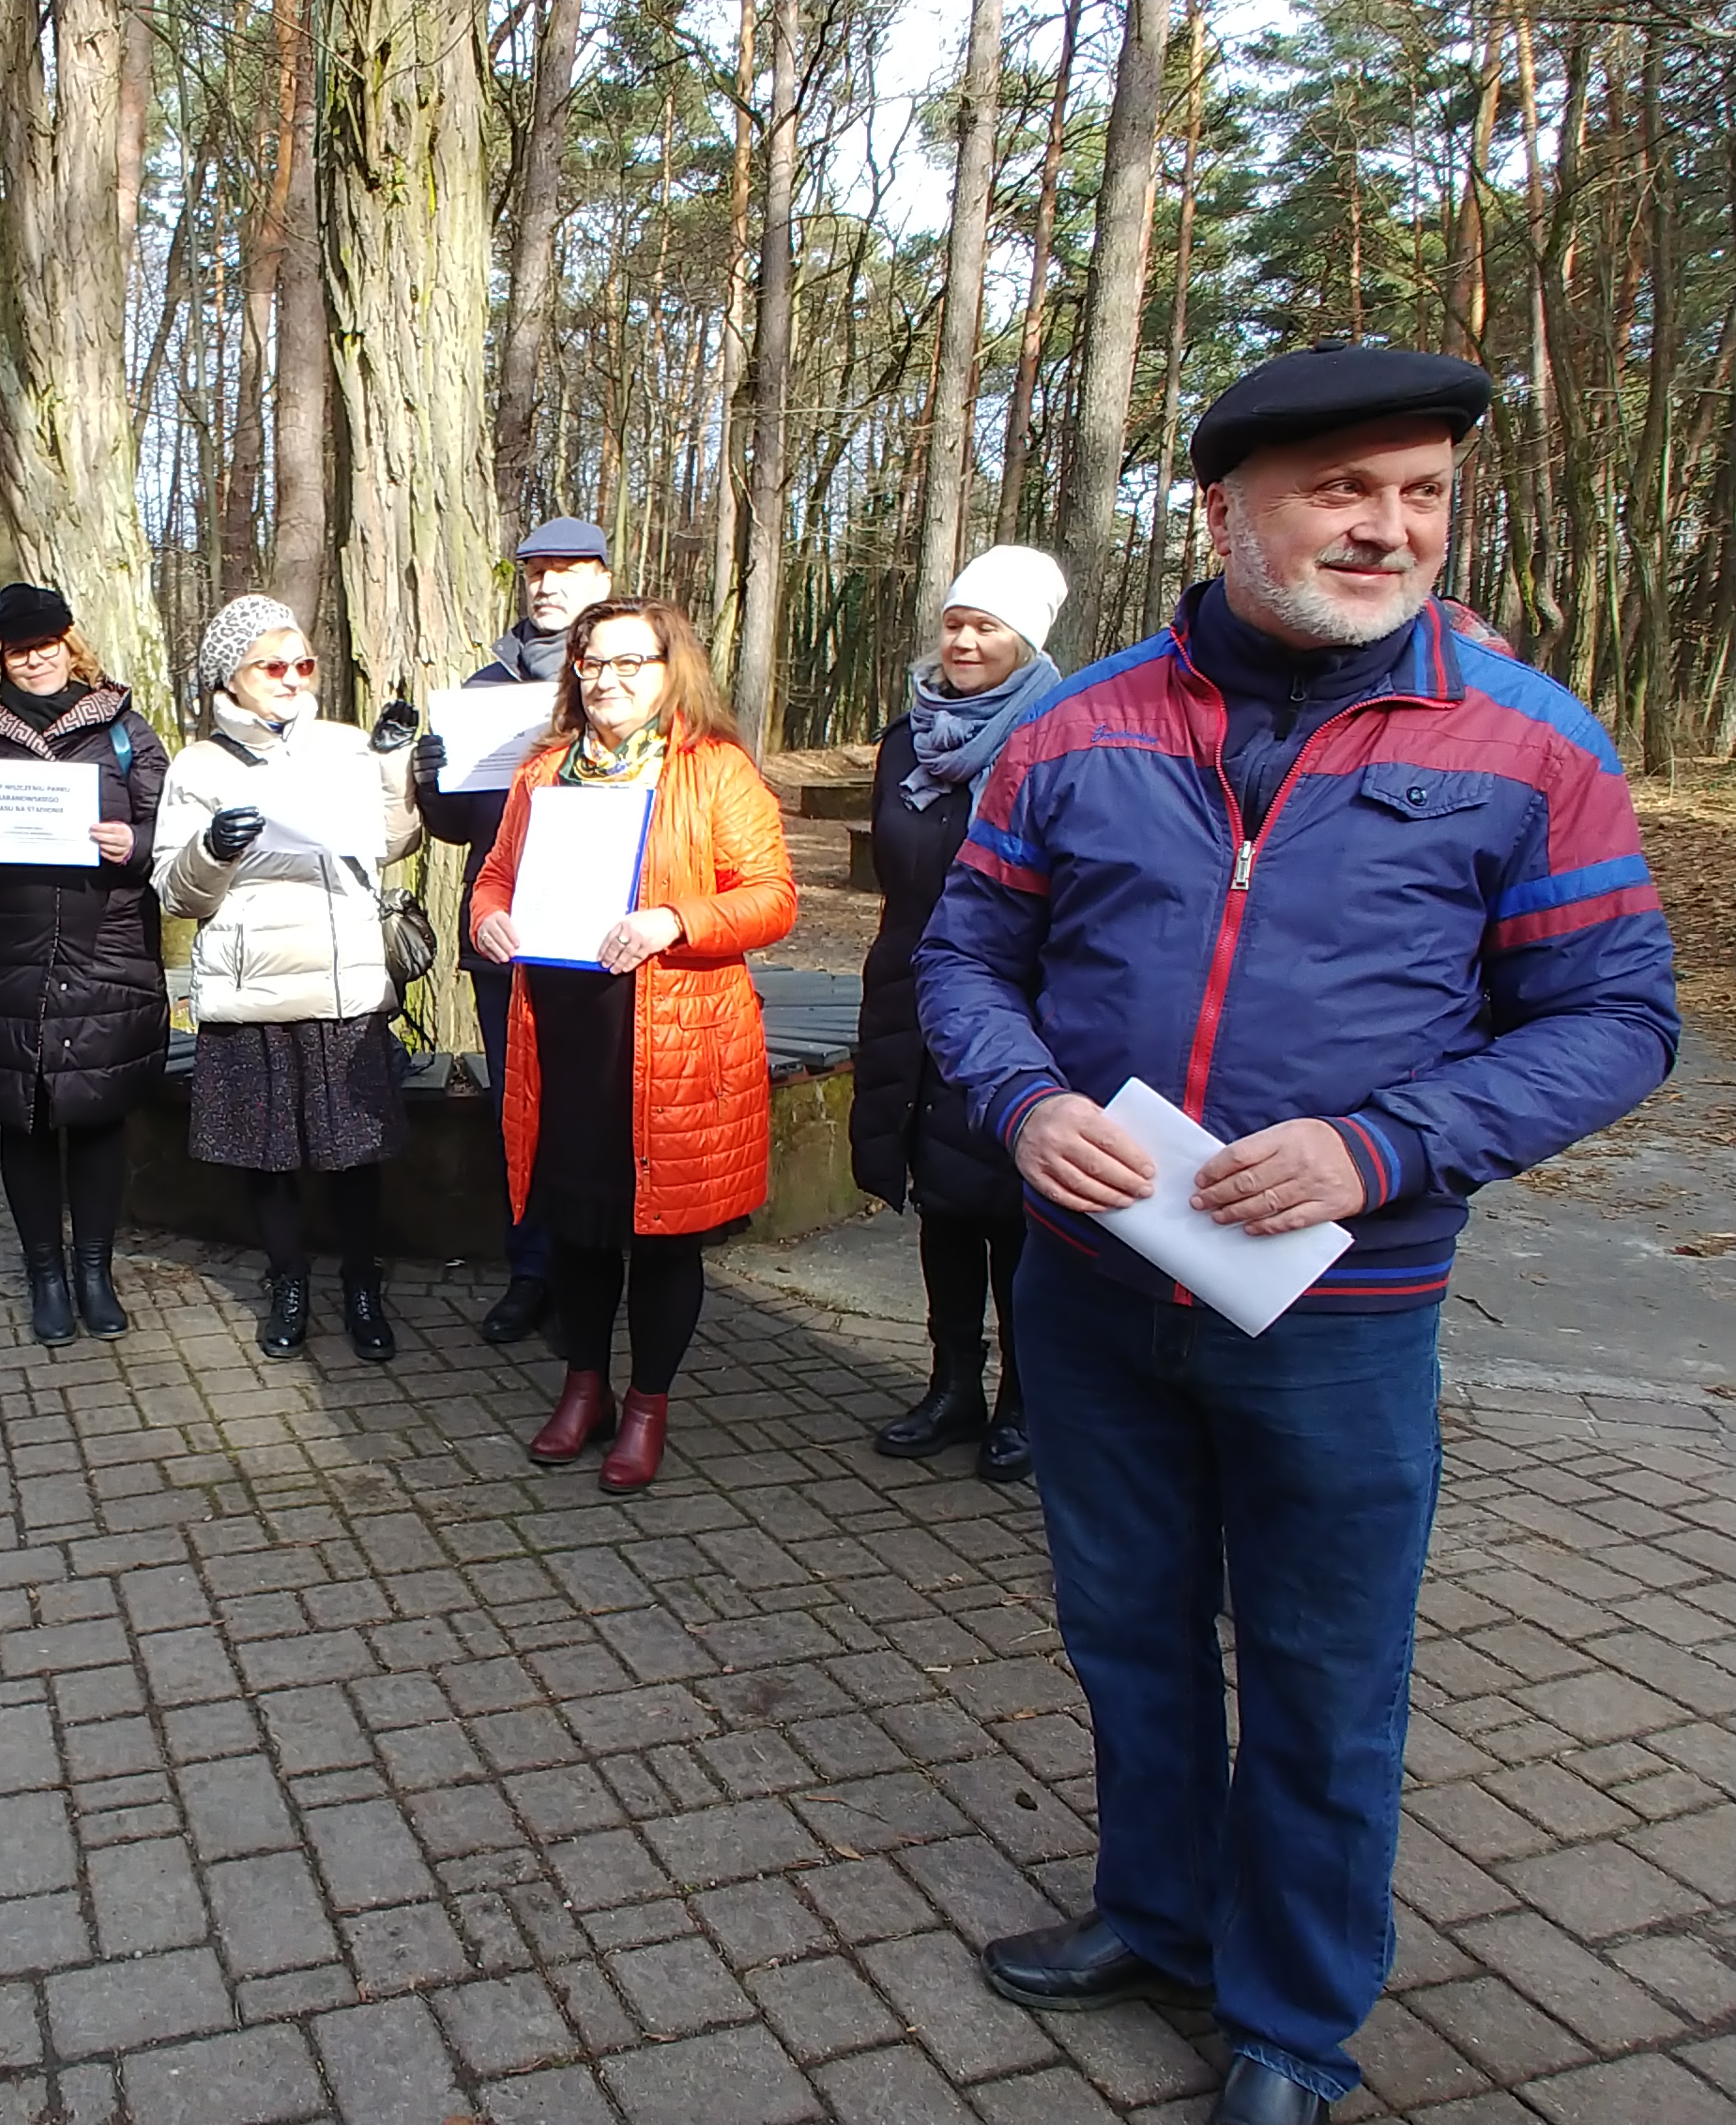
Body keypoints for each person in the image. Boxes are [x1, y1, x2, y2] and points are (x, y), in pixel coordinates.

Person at [916, 345, 1679, 2125]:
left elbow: (1619, 1016)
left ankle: (1292, 2024)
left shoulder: (1528, 742)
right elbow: (967, 959)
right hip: (1096, 1294)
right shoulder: (1078, 723)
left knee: (1330, 1680)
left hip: (1341, 1311)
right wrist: (1027, 1103)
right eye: (1343, 489)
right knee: (1127, 1633)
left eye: (1420, 493)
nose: (1388, 527)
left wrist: (1381, 1147)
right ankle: (1157, 1917)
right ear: (1224, 512)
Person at [469, 597, 797, 1494]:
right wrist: (490, 918)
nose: (608, 681)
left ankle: (647, 1405)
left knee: (660, 1239)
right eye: (592, 664)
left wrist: (673, 919)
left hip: (672, 1043)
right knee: (576, 1230)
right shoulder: (544, 771)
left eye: (630, 663)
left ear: (669, 668)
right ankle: (585, 1389)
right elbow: (497, 878)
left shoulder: (715, 771)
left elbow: (772, 898)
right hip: (563, 1038)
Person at [849, 545, 1067, 1486]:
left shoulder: (1062, 735)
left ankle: (1027, 1399)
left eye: (988, 627)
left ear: (1026, 639)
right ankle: (952, 1384)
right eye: (957, 622)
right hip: (911, 985)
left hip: (1020, 997)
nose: (966, 640)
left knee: (1014, 1208)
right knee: (940, 1196)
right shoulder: (907, 740)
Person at [156, 595, 422, 1360]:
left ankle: (364, 1287)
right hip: (252, 992)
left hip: (341, 985)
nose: (290, 677)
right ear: (229, 678)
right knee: (267, 1157)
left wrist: (395, 765)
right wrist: (212, 845)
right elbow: (178, 894)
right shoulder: (198, 765)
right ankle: (288, 1281)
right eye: (269, 665)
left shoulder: (343, 746)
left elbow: (391, 843)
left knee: (356, 1157)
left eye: (302, 663)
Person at [0, 583, 168, 1346]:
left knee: (96, 1118)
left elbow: (170, 820)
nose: (34, 661)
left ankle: (94, 1273)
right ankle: (45, 1277)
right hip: (6, 948)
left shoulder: (123, 727)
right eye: (17, 650)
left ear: (70, 643)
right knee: (22, 1119)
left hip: (106, 945)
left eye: (46, 644)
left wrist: (138, 845)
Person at [414, 516, 614, 1344]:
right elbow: (464, 827)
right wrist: (431, 784)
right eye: (534, 569)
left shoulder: (626, 676)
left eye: (566, 569)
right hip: (504, 937)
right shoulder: (485, 686)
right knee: (518, 1113)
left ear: (602, 580)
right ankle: (530, 1272)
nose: (546, 584)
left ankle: (595, 1274)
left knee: (598, 1112)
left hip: (605, 938)